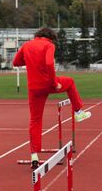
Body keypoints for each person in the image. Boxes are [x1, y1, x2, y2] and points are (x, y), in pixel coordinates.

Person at [13, 27, 91, 169]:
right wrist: (54, 83)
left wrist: (32, 62)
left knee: (35, 120)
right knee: (71, 82)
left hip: (34, 88)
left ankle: (34, 155)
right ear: (51, 37)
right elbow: (49, 63)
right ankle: (78, 112)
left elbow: (16, 63)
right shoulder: (49, 45)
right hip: (48, 84)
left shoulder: (27, 45)